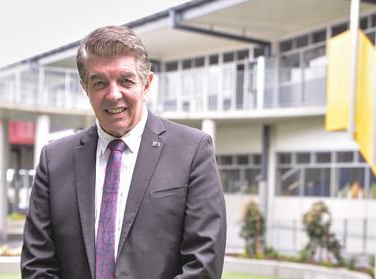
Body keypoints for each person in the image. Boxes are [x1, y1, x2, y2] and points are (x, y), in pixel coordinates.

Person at [21, 25, 227, 279]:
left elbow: (204, 263)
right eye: (99, 83)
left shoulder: (192, 151)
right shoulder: (54, 161)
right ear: (85, 88)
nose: (113, 94)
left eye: (125, 80)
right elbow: (37, 266)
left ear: (147, 83)